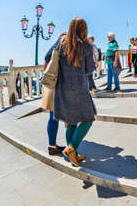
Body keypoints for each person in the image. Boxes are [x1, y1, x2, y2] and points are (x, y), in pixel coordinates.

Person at [44, 18, 95, 167]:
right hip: (80, 90)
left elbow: (47, 57)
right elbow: (90, 68)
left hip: (62, 89)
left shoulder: (61, 43)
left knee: (71, 121)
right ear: (83, 29)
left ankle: (73, 156)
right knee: (88, 119)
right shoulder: (85, 45)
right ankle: (71, 147)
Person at [43, 32, 67, 156]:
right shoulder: (63, 43)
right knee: (58, 115)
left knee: (53, 115)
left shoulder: (55, 45)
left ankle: (52, 145)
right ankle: (69, 147)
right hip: (60, 84)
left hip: (53, 82)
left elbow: (46, 57)